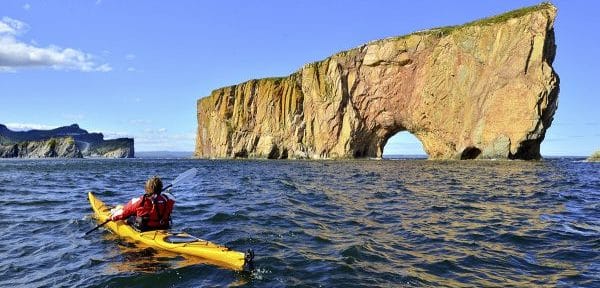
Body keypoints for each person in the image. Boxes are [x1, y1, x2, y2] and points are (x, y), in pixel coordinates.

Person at [110, 176, 175, 231]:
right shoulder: (168, 199)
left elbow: (124, 213)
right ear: (161, 188)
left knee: (129, 216)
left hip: (145, 228)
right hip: (163, 226)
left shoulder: (140, 201)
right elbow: (169, 197)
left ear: (146, 189)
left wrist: (112, 217)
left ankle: (115, 210)